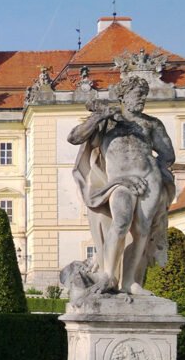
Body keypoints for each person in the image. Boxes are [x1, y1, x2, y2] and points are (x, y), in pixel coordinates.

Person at [67, 77, 176, 295]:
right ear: (123, 96)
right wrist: (99, 116)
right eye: (137, 94)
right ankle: (108, 275)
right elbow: (74, 137)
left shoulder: (151, 124)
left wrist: (156, 172)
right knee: (121, 222)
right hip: (119, 182)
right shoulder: (109, 122)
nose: (141, 99)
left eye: (144, 95)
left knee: (143, 230)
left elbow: (168, 155)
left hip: (148, 179)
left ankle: (129, 282)